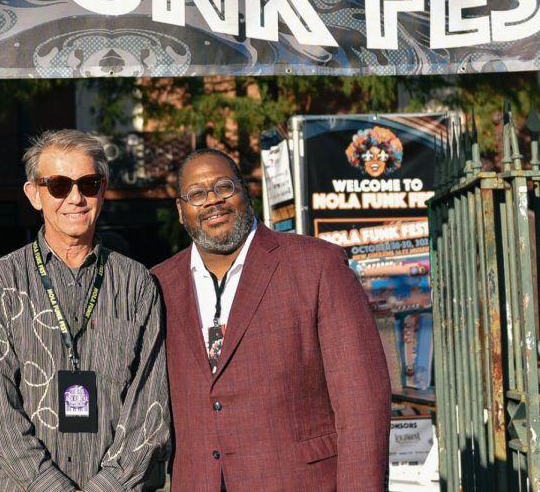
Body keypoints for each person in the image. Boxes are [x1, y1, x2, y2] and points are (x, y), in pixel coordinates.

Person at [151, 149, 390, 491]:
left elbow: (362, 402)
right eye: (197, 194)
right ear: (181, 210)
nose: (212, 202)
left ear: (245, 191)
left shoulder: (316, 266)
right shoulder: (159, 284)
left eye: (223, 187)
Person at [0, 129, 169, 491]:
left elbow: (150, 408)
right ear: (34, 194)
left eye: (89, 183)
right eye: (59, 185)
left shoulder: (137, 283)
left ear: (103, 189)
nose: (75, 197)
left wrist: (106, 486)